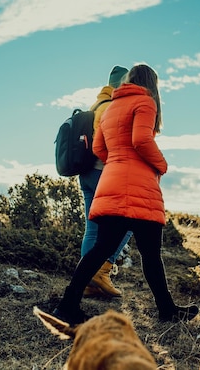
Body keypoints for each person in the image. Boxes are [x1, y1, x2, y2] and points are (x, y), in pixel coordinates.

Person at [53, 63, 199, 325]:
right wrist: (160, 165)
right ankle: (167, 310)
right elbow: (141, 140)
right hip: (138, 187)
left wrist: (119, 161)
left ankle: (68, 305)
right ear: (152, 84)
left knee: (100, 249)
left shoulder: (111, 107)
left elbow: (99, 147)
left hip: (113, 182)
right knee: (151, 254)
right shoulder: (145, 102)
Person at [79, 65, 133, 298]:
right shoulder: (113, 106)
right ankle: (102, 270)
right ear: (123, 83)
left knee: (92, 231)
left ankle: (87, 284)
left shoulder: (96, 105)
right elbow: (106, 145)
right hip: (104, 173)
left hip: (87, 174)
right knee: (129, 223)